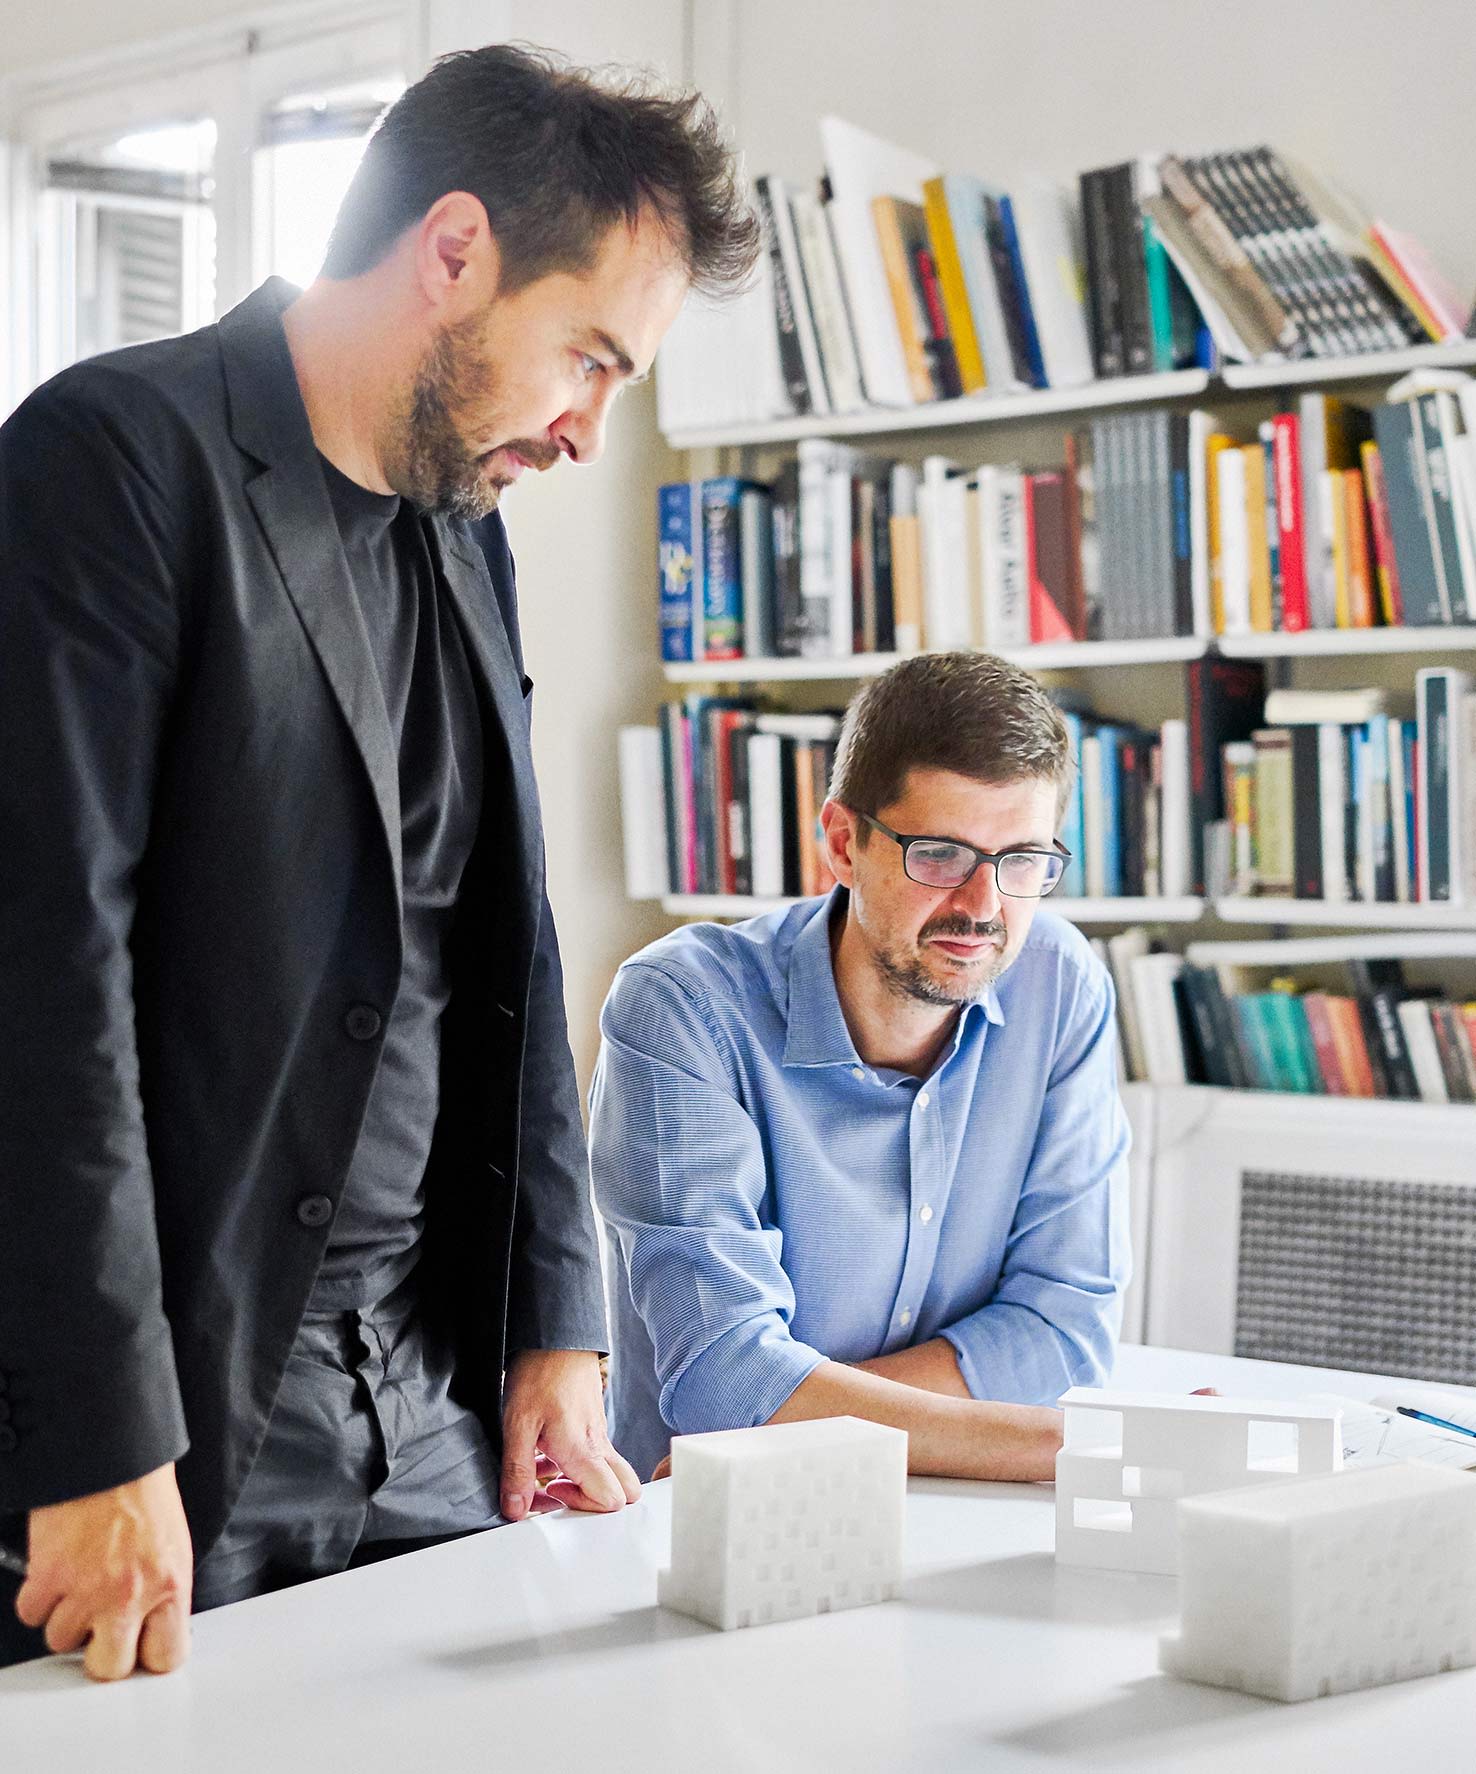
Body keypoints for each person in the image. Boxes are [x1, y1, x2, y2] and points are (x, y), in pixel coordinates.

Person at [0, 43, 759, 1679]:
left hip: (428, 1401)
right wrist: (93, 1439)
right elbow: (41, 985)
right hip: (182, 1413)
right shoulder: (111, 460)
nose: (588, 427)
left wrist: (557, 1321)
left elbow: (514, 949)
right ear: (457, 252)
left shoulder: (464, 529)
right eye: (590, 358)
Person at [591, 652, 1131, 1484]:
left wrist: (783, 1431)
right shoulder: (682, 1008)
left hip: (958, 1504)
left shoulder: (1060, 981)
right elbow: (722, 1379)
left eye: (1021, 860)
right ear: (844, 843)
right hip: (715, 1530)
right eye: (942, 855)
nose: (983, 908)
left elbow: (1067, 1325)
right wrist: (1057, 1446)